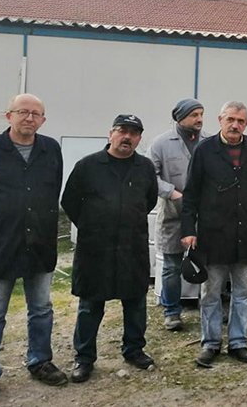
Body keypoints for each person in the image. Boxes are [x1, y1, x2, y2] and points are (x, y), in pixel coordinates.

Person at [0, 94, 67, 405]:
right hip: (0, 243)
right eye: (23, 112)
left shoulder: (51, 149)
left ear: (43, 121)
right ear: (8, 115)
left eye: (36, 114)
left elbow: (53, 189)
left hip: (39, 242)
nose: (29, 118)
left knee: (41, 309)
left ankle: (39, 361)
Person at [61, 114, 158, 383]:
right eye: (122, 131)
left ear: (139, 138)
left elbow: (148, 200)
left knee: (135, 302)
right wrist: (94, 226)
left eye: (133, 133)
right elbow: (70, 201)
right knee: (91, 305)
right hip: (96, 249)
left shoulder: (145, 168)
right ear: (110, 134)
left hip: (132, 246)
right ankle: (84, 358)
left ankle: (134, 350)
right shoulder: (88, 166)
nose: (127, 137)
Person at [181, 101, 247, 368]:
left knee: (244, 291)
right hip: (212, 235)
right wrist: (189, 229)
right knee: (210, 293)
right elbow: (191, 194)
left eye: (241, 121)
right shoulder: (204, 151)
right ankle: (210, 343)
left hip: (245, 233)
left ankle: (238, 341)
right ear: (220, 119)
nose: (235, 125)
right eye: (231, 119)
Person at [148, 98, 207, 332]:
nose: (200, 119)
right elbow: (150, 175)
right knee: (172, 266)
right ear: (179, 117)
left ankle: (208, 305)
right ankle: (172, 311)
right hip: (173, 215)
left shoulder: (209, 142)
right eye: (194, 115)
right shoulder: (161, 144)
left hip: (204, 215)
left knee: (207, 263)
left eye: (202, 114)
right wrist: (171, 192)